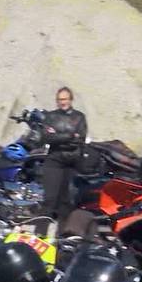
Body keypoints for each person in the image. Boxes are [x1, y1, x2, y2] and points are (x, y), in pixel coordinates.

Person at [40, 87, 87, 220]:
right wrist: (70, 135)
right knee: (49, 198)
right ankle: (41, 232)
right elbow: (46, 138)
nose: (62, 102)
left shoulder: (79, 117)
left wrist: (59, 136)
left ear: (71, 100)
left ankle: (63, 236)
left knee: (65, 201)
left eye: (65, 99)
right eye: (60, 99)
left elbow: (80, 139)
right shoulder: (50, 116)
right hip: (54, 160)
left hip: (72, 161)